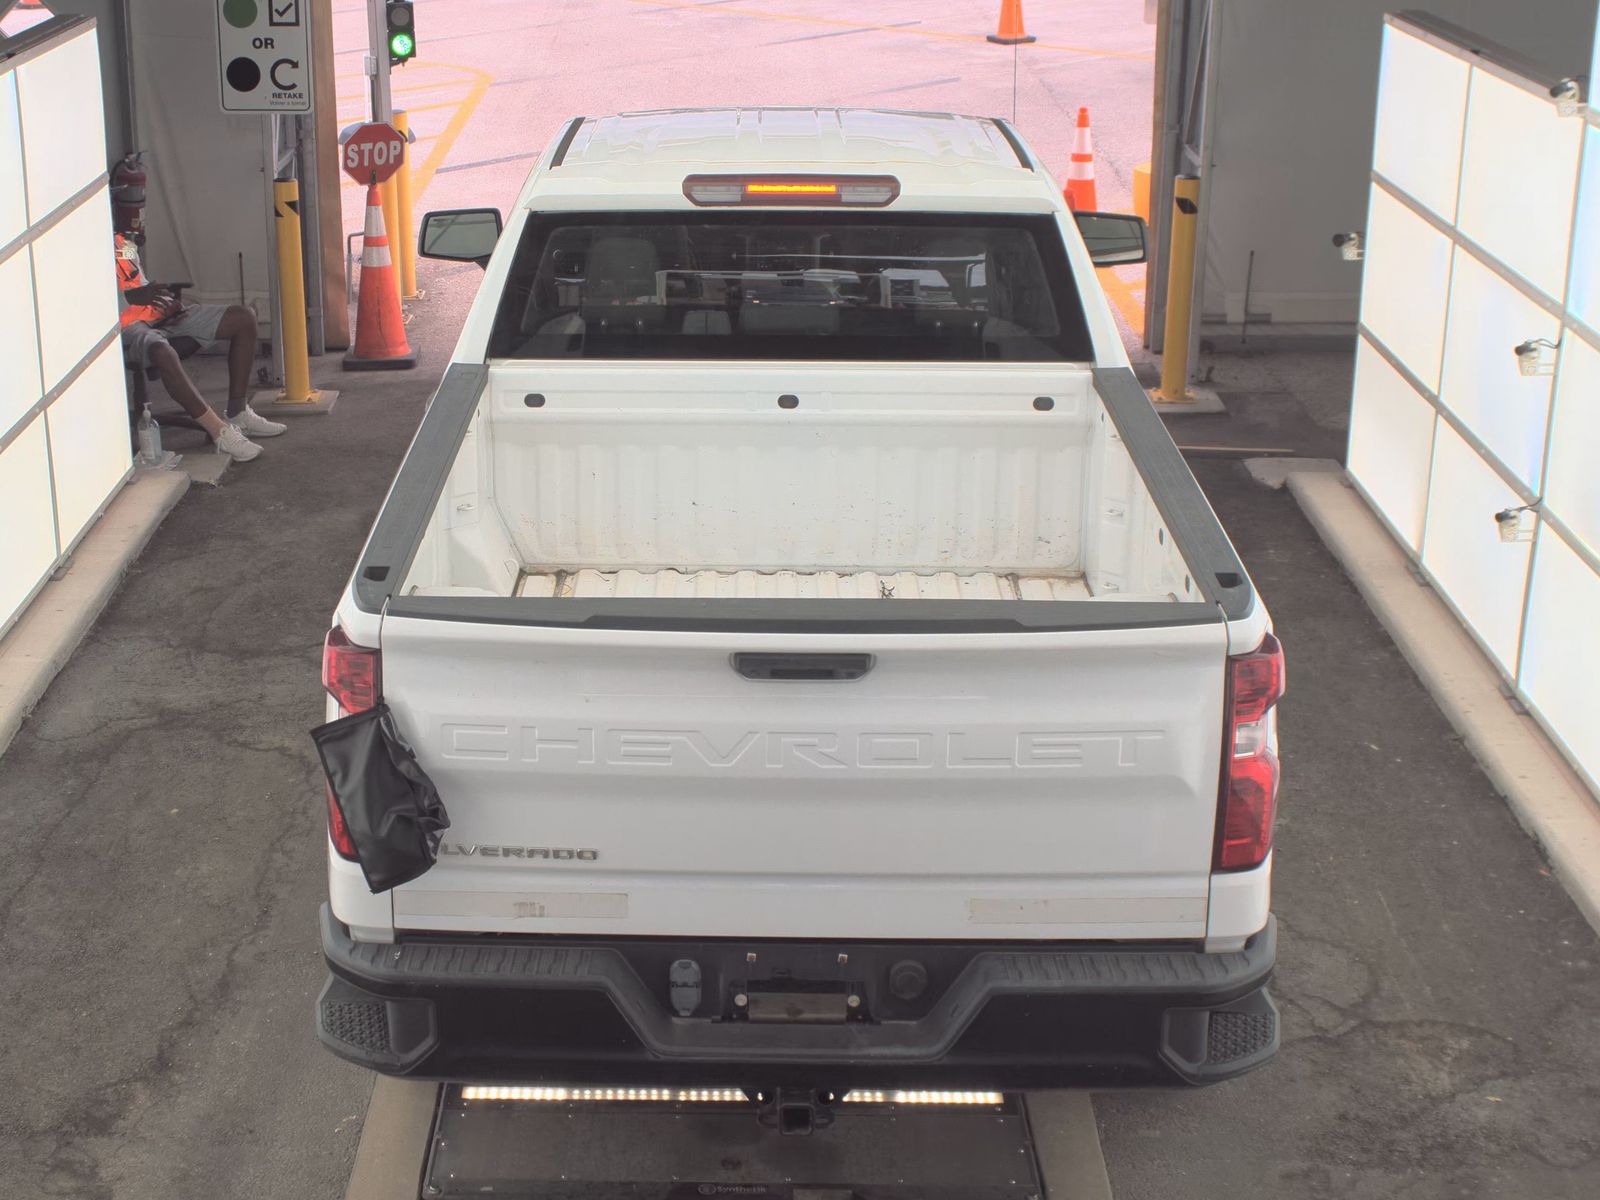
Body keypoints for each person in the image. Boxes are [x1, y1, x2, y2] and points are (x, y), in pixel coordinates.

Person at [116, 232, 286, 462]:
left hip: (157, 315)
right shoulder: (79, 248)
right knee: (162, 352)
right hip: (125, 327)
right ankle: (220, 433)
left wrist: (167, 303)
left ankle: (238, 414)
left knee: (244, 317)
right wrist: (132, 299)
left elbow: (138, 281)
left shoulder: (122, 241)